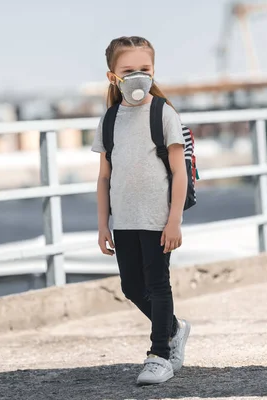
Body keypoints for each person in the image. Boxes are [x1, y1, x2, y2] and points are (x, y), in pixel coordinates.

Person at [92, 36, 192, 385]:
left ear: (154, 71)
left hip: (156, 218)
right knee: (133, 287)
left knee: (158, 284)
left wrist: (174, 219)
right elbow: (104, 177)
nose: (137, 76)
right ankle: (175, 328)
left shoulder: (163, 113)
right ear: (112, 77)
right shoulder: (109, 119)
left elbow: (179, 171)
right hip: (124, 220)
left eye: (144, 69)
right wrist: (103, 224)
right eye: (128, 70)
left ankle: (159, 355)